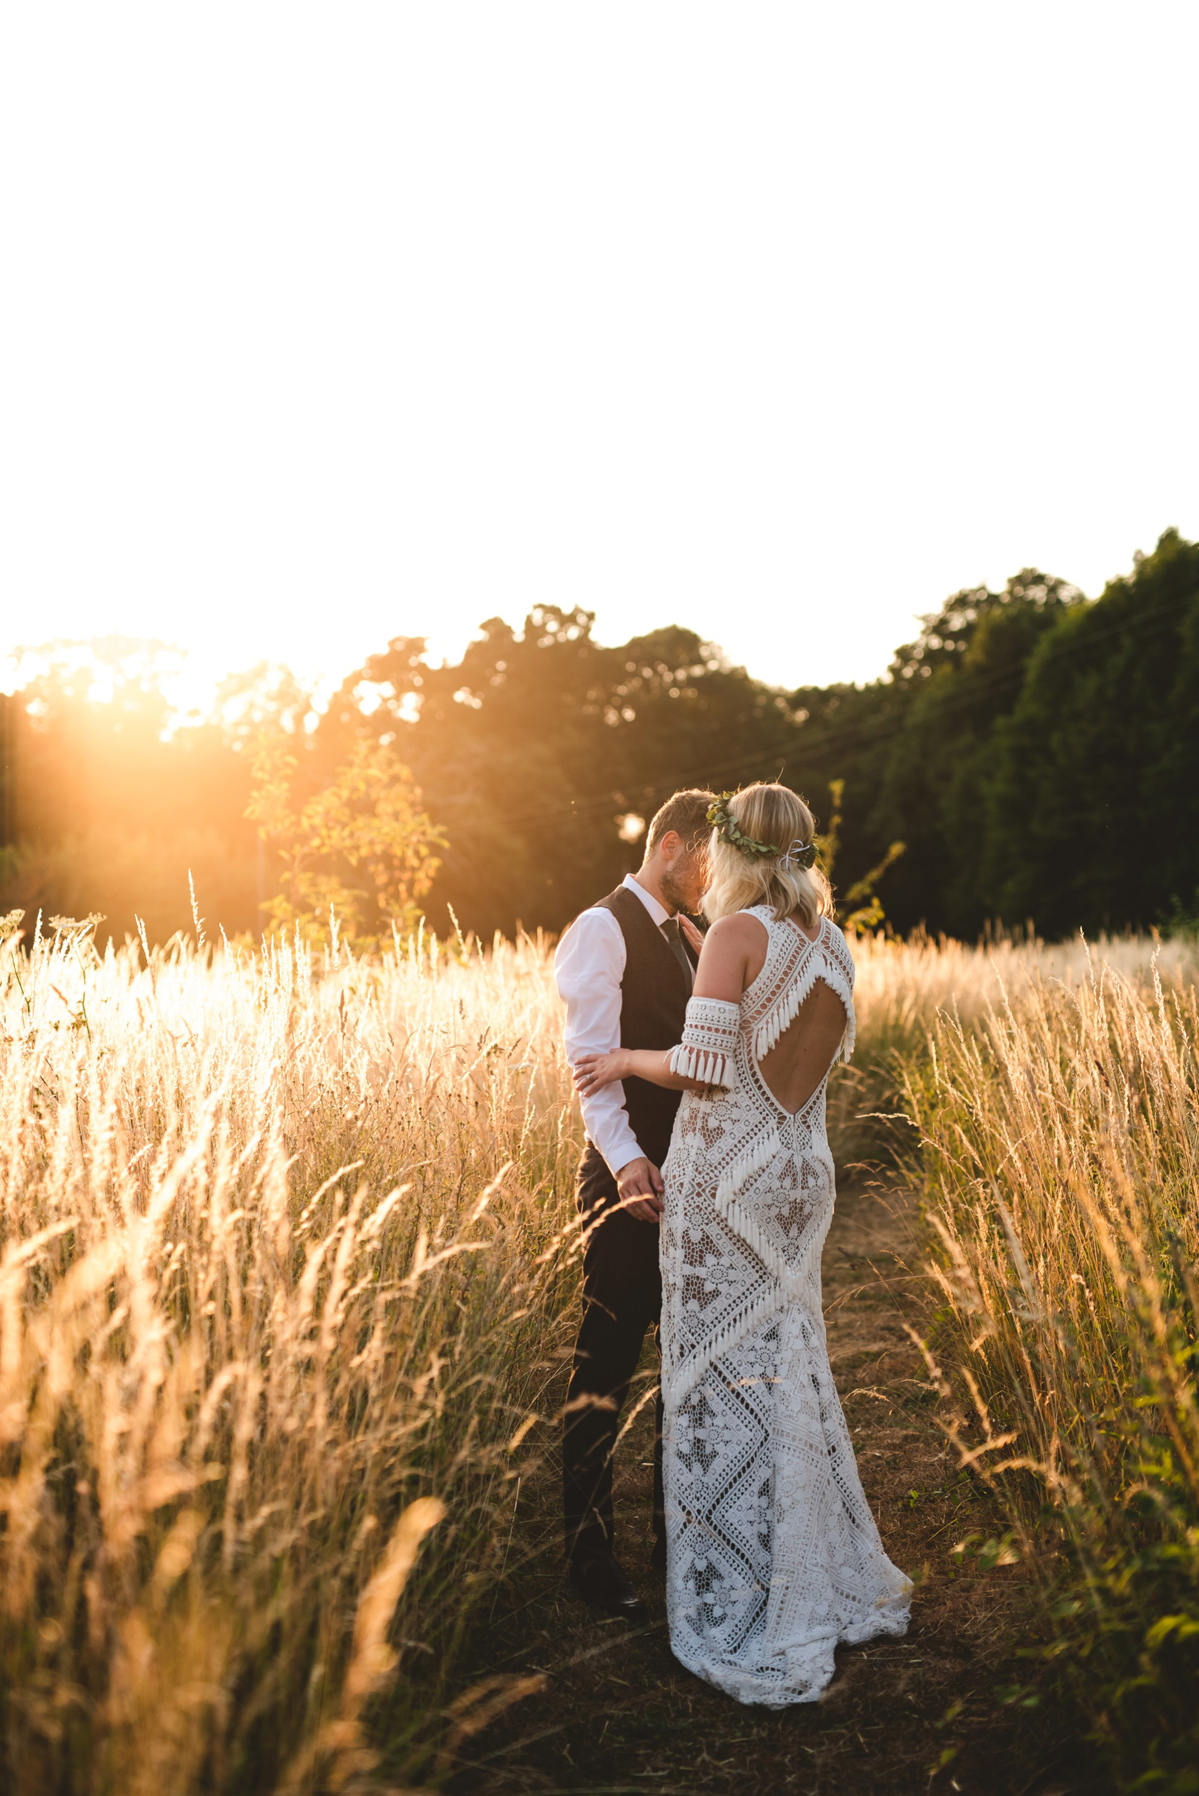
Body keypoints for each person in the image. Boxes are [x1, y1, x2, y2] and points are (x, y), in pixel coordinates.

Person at [575, 782, 911, 1703]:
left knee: (711, 1373)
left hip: (726, 1181)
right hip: (804, 1176)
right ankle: (800, 1558)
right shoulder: (833, 944)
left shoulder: (736, 933)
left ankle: (736, 1593)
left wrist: (623, 1062)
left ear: (732, 850)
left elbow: (706, 1067)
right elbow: (804, 1061)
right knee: (787, 1361)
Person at [554, 788, 716, 1620]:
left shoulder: (687, 937)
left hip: (690, 1180)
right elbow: (590, 1067)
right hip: (629, 1184)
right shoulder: (601, 927)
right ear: (672, 845)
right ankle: (588, 1557)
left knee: (684, 1368)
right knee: (605, 1369)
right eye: (705, 863)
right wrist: (626, 1165)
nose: (710, 880)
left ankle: (673, 1550)